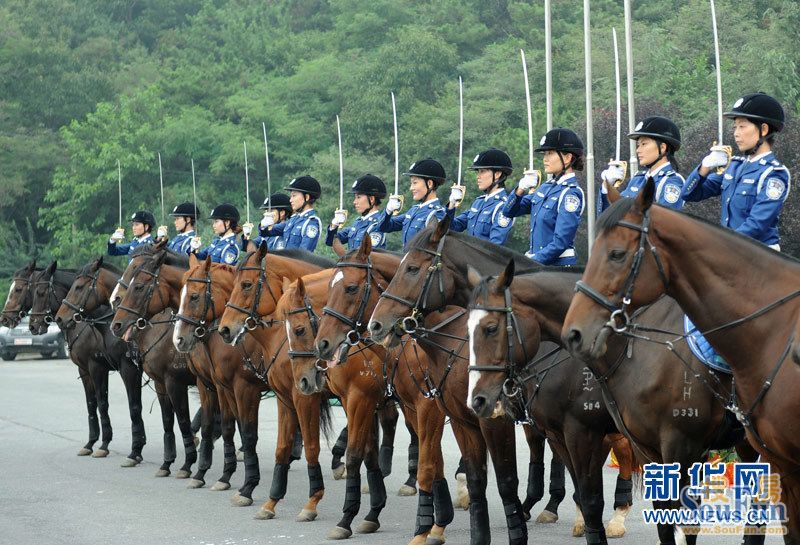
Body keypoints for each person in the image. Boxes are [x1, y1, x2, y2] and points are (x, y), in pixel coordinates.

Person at [682, 92, 790, 251]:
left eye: (742, 126)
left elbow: (757, 224)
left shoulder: (773, 173)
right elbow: (689, 194)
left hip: (760, 258)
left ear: (764, 129)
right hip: (733, 254)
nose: (736, 133)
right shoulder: (734, 166)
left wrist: (720, 245)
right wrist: (705, 166)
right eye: (735, 127)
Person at [502, 128, 585, 265]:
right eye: (545, 154)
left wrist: (531, 261)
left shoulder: (570, 193)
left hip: (557, 268)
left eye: (550, 153)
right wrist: (520, 189)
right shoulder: (545, 188)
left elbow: (561, 242)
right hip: (539, 267)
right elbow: (509, 211)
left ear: (567, 158)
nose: (545, 159)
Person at [598, 116, 686, 212]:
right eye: (638, 145)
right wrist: (607, 186)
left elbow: (664, 222)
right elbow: (610, 218)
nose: (638, 150)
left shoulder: (671, 181)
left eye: (644, 144)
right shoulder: (637, 179)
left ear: (662, 148)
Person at [445, 148, 515, 245]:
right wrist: (451, 204)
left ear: (497, 174)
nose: (478, 176)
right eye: (478, 172)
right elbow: (452, 227)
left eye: (482, 171)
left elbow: (495, 247)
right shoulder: (478, 203)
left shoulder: (503, 206)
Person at [375, 159, 447, 250]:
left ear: (429, 184)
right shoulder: (413, 211)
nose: (411, 188)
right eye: (411, 183)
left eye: (415, 183)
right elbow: (383, 227)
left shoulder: (436, 213)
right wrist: (388, 211)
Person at [258, 176, 322, 252]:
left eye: (294, 196)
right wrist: (263, 226)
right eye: (291, 196)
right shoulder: (293, 220)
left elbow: (304, 255)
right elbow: (268, 232)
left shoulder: (311, 222)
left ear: (307, 197)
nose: (290, 200)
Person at [326, 174, 387, 250]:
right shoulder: (358, 223)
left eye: (358, 197)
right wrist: (334, 226)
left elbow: (370, 257)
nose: (354, 202)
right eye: (355, 198)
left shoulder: (378, 224)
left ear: (371, 199)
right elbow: (331, 242)